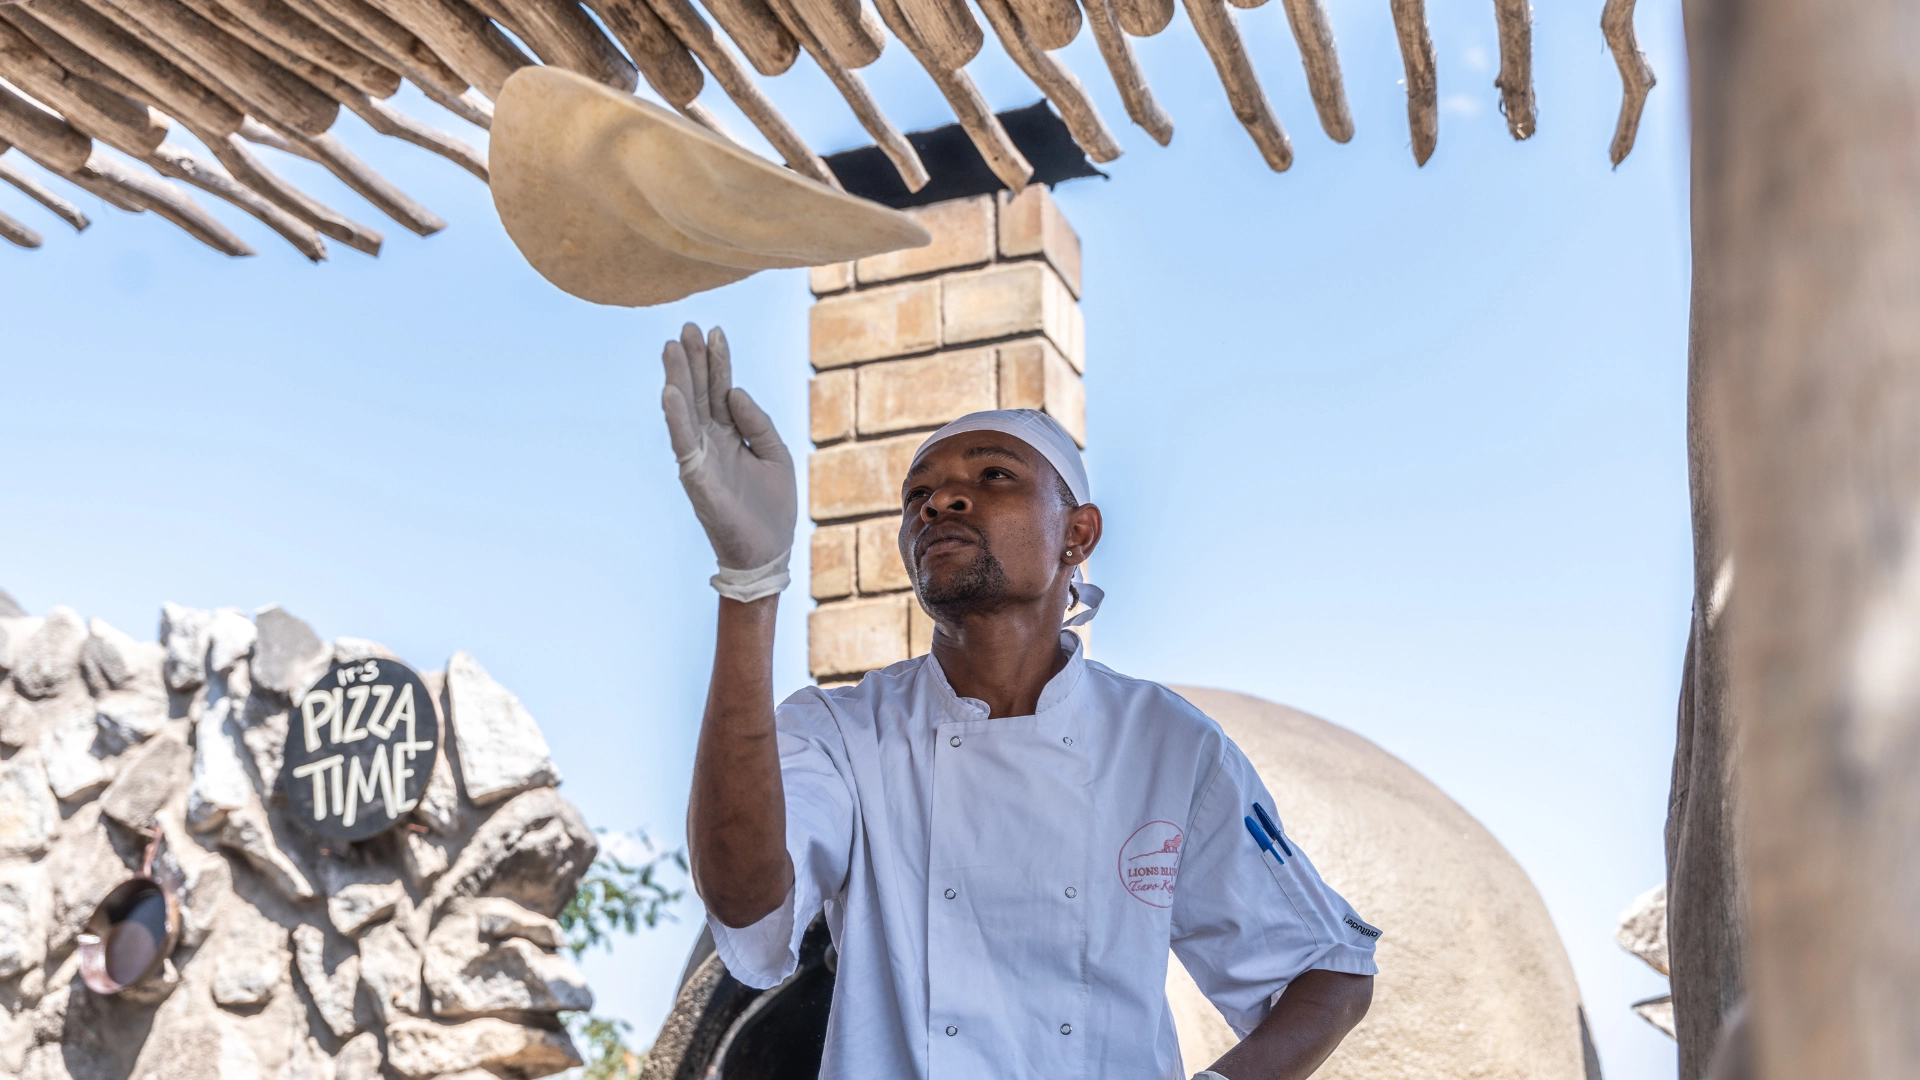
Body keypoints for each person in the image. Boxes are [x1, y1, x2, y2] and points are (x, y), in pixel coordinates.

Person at [662, 323, 1379, 1080]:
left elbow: (1329, 971)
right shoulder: (841, 732)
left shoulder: (1167, 745)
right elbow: (746, 902)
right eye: (917, 494)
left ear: (1078, 533)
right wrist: (750, 583)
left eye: (994, 474)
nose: (939, 502)